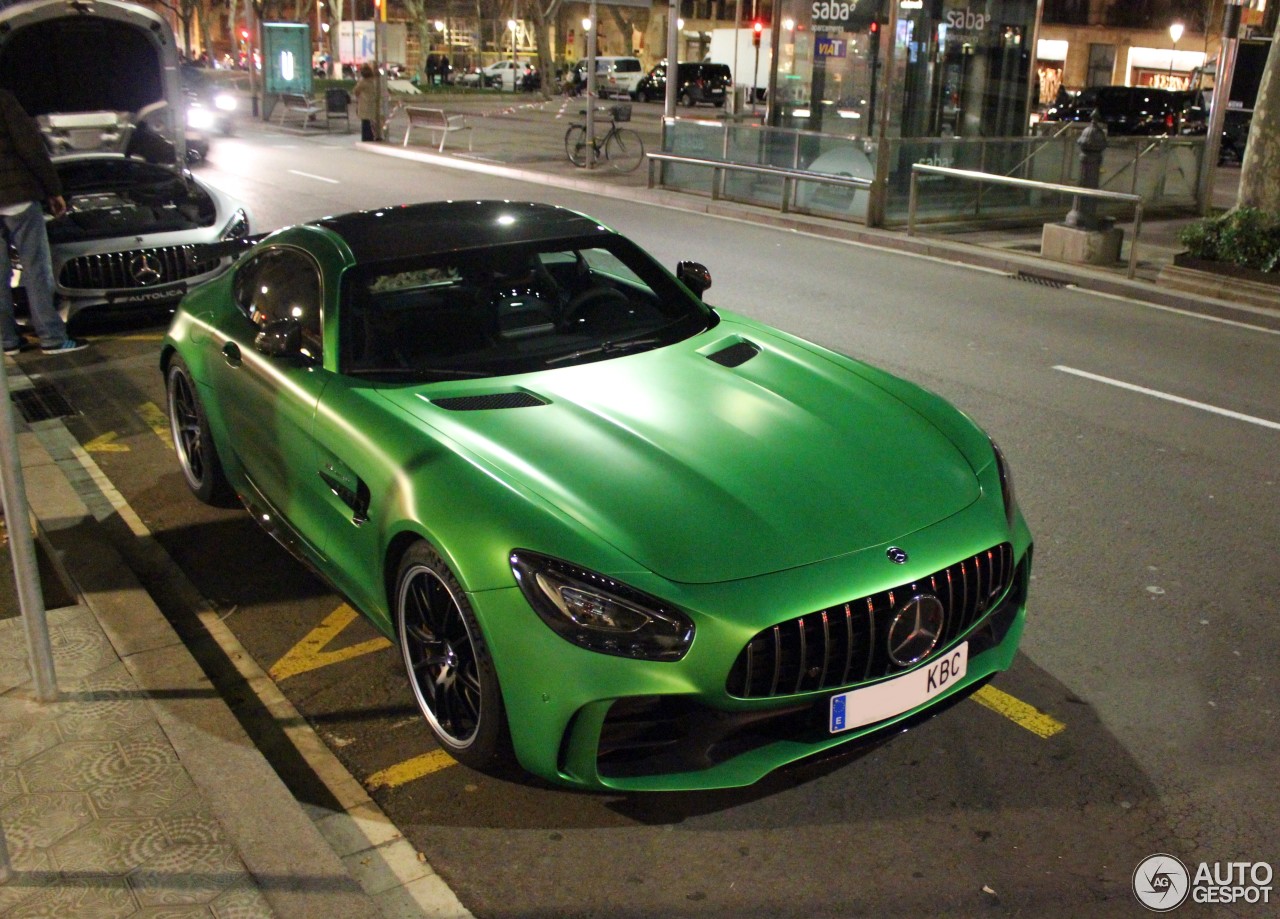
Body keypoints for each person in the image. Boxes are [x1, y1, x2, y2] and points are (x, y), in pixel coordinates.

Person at [0, 88, 84, 355]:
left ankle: (7, 341)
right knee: (36, 267)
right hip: (16, 194)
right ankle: (52, 337)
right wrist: (53, 190)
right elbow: (29, 145)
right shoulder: (3, 98)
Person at [352, 62, 379, 142]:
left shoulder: (362, 82)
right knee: (370, 122)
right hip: (372, 102)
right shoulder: (372, 81)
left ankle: (366, 138)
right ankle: (371, 136)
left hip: (364, 103)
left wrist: (358, 97)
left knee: (365, 123)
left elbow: (355, 91)